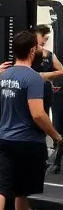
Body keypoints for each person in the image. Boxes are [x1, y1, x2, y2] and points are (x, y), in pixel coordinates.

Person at [0, 29, 61, 210]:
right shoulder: (33, 78)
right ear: (32, 51)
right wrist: (56, 136)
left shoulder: (5, 74)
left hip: (5, 138)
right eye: (39, 46)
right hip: (27, 141)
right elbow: (38, 114)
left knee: (21, 189)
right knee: (5, 188)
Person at [33, 25, 63, 156]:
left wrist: (44, 76)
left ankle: (43, 152)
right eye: (43, 37)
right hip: (28, 92)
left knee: (42, 118)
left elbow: (61, 71)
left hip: (44, 92)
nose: (44, 41)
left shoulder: (49, 55)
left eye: (46, 39)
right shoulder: (27, 54)